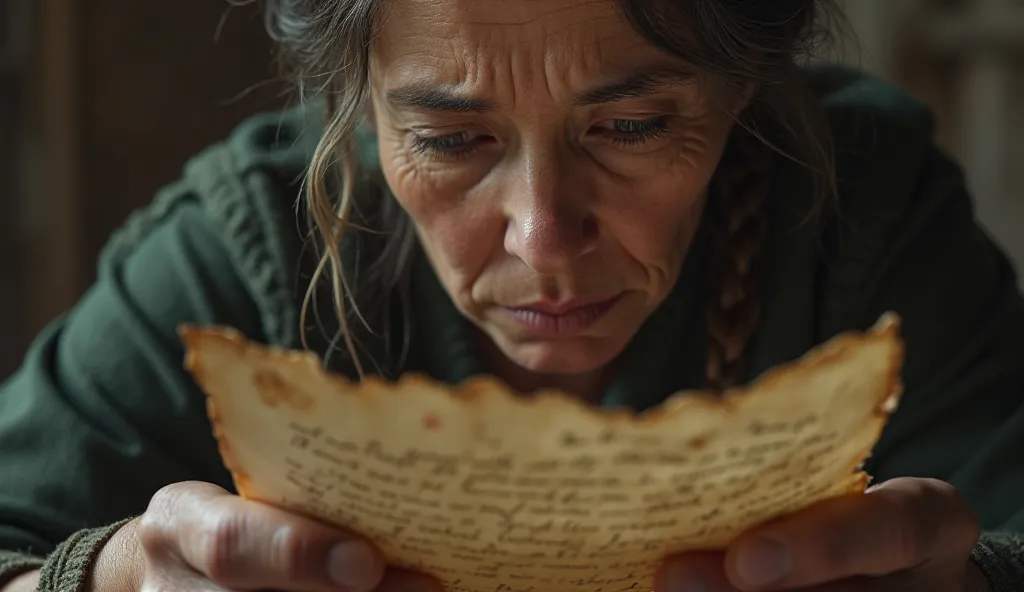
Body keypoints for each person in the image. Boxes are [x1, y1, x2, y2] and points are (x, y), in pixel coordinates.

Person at [1, 0, 1023, 590]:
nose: (542, 235)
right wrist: (111, 573)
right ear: (358, 109)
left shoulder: (860, 214)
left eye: (630, 127)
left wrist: (969, 577)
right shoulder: (250, 246)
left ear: (743, 90)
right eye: (450, 140)